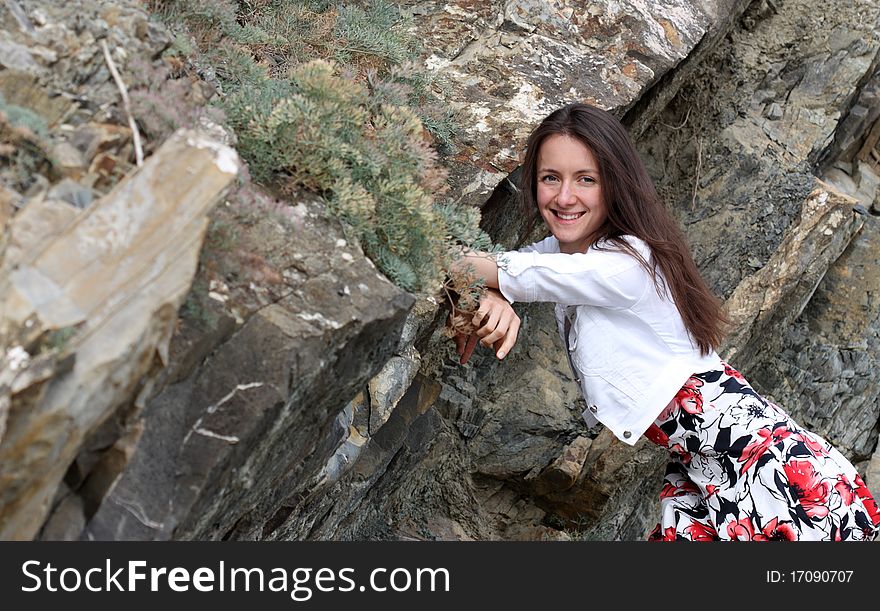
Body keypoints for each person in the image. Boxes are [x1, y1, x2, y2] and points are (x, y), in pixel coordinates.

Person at [451, 103, 880, 541]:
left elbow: (500, 271)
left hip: (758, 458)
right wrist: (491, 293)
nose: (564, 197)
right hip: (700, 466)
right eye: (549, 178)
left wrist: (492, 282)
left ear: (614, 183)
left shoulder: (626, 261)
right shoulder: (567, 254)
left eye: (586, 179)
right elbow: (506, 269)